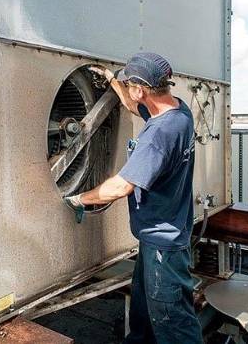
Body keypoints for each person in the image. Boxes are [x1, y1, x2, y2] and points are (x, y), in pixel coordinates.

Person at [65, 52, 202, 344]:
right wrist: (113, 80)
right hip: (161, 236)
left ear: (141, 89)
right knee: (143, 318)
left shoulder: (158, 136)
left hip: (162, 245)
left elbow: (120, 187)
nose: (129, 89)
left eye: (130, 84)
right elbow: (131, 105)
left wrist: (78, 199)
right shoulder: (179, 112)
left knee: (174, 324)